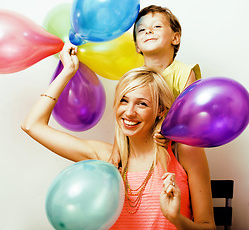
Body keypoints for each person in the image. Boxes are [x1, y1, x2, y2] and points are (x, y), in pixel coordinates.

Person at [21, 42, 215, 229]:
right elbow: (32, 125)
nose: (129, 112)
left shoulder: (184, 152)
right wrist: (67, 71)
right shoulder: (108, 159)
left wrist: (176, 218)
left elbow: (208, 227)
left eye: (142, 104)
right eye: (124, 100)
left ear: (160, 110)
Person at [109, 5, 202, 166]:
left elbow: (189, 118)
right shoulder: (134, 78)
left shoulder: (185, 73)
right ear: (137, 46)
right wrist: (117, 151)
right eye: (141, 30)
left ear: (175, 38)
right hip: (140, 147)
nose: (148, 31)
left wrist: (167, 131)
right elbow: (123, 118)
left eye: (156, 27)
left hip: (173, 148)